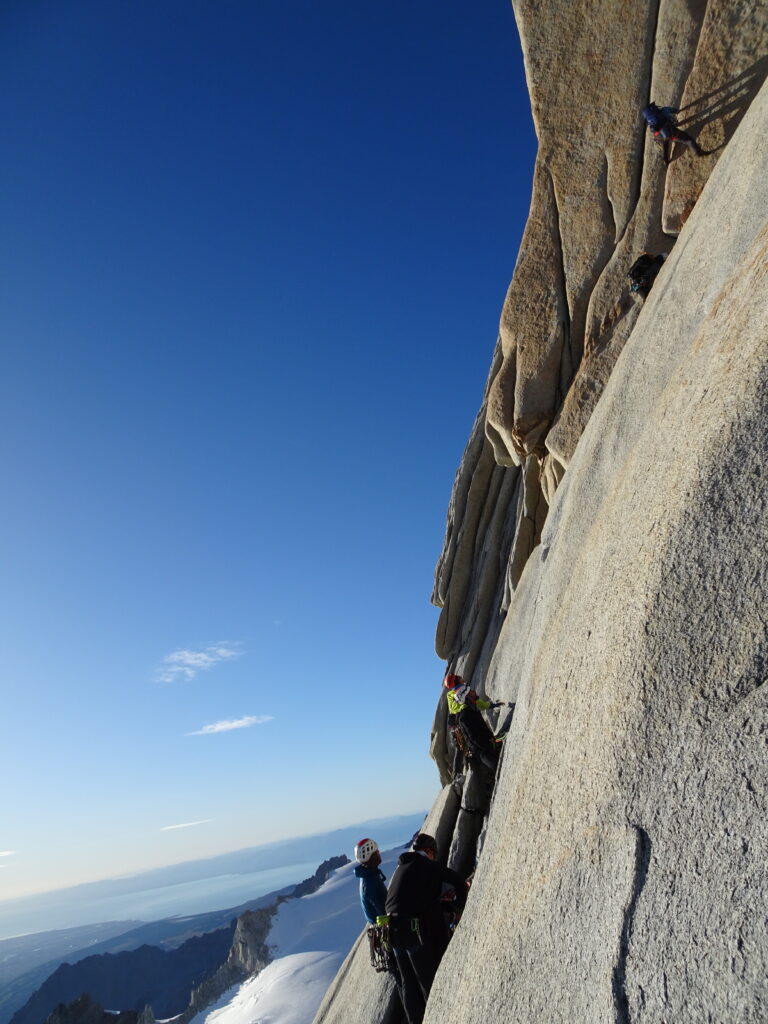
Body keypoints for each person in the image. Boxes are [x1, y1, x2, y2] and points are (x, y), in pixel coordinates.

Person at [384, 833, 468, 1024]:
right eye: (433, 854)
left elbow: (413, 899)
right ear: (429, 852)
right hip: (409, 929)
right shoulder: (427, 865)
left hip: (390, 931)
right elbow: (457, 881)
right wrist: (459, 906)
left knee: (407, 982)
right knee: (426, 978)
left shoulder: (401, 868)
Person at [444, 673, 504, 773]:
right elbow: (478, 702)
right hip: (474, 714)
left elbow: (453, 712)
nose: (462, 678)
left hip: (463, 720)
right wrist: (491, 705)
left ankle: (497, 767)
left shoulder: (450, 695)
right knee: (487, 736)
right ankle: (498, 755)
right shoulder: (466, 689)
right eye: (459, 677)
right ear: (456, 680)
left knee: (477, 748)